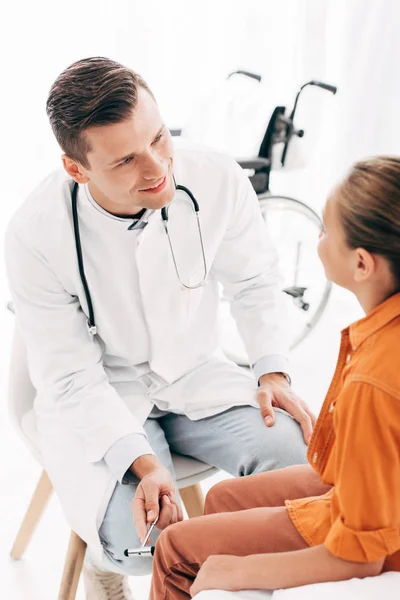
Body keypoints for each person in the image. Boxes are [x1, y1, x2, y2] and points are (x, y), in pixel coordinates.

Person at [4, 57, 312, 599]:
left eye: (159, 137)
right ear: (78, 169)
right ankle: (110, 565)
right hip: (104, 395)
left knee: (301, 475)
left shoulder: (216, 178)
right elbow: (69, 374)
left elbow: (256, 283)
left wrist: (274, 370)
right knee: (140, 539)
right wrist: (142, 463)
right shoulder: (36, 233)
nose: (157, 168)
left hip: (197, 378)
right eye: (126, 160)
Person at [149, 155, 400, 599]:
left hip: (378, 531)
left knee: (174, 549)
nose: (317, 239)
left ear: (361, 264)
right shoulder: (381, 336)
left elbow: (362, 555)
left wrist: (237, 572)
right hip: (374, 487)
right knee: (223, 497)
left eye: (324, 231)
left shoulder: (374, 382)